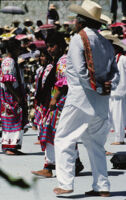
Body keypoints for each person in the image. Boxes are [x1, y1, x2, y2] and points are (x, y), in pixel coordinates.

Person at [53, 0, 120, 196]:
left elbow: (81, 72)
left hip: (80, 99)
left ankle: (65, 183)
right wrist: (106, 87)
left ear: (81, 22)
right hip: (101, 102)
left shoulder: (77, 39)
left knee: (63, 138)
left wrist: (97, 87)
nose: (74, 22)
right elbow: (114, 73)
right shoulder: (106, 43)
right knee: (95, 144)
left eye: (76, 19)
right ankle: (102, 187)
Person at [32, 32, 83, 178]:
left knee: (52, 131)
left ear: (60, 46)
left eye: (52, 46)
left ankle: (50, 167)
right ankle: (73, 162)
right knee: (60, 133)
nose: (49, 49)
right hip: (60, 103)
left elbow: (64, 83)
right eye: (47, 46)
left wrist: (54, 99)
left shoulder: (62, 61)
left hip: (61, 103)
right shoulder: (57, 61)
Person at [0, 38, 28, 155]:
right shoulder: (8, 62)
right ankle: (9, 147)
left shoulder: (13, 61)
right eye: (18, 49)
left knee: (16, 119)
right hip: (10, 95)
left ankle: (14, 146)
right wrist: (16, 96)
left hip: (14, 93)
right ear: (14, 49)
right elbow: (7, 82)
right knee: (12, 119)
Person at [109, 40, 126, 145]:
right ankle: (118, 135)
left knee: (118, 115)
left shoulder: (123, 59)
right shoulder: (113, 59)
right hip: (113, 91)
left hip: (120, 91)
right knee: (113, 115)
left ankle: (119, 138)